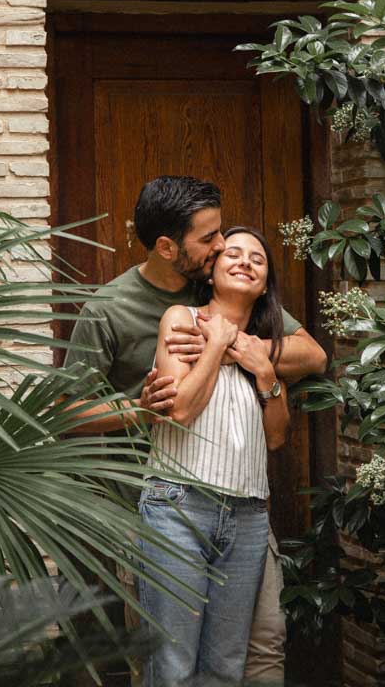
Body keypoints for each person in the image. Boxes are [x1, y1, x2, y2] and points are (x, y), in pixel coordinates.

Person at [64, 176, 327, 684]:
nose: (225, 247)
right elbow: (66, 413)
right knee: (166, 662)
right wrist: (139, 410)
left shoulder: (222, 283)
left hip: (241, 499)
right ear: (167, 247)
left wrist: (239, 347)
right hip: (153, 501)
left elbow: (310, 354)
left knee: (231, 660)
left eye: (221, 233)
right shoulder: (112, 308)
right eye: (209, 239)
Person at [137, 226, 290, 686]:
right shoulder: (181, 319)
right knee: (171, 665)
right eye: (233, 254)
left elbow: (277, 438)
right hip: (178, 505)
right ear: (213, 271)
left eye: (257, 259)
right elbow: (177, 411)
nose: (245, 261)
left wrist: (263, 368)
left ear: (264, 285)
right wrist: (219, 345)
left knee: (225, 667)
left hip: (247, 515)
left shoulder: (263, 345)